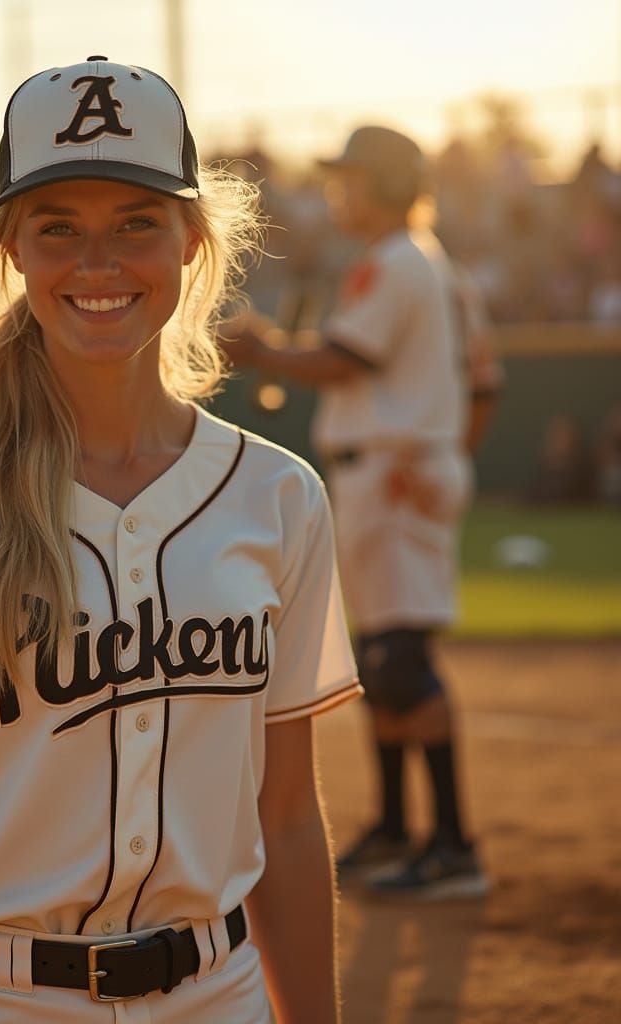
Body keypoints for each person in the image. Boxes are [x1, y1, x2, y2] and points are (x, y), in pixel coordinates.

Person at [0, 58, 362, 1023]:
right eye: (57, 227)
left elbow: (286, 817)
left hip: (220, 997)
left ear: (191, 240)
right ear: (13, 248)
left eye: (135, 223)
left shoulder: (278, 496)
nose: (95, 263)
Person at [224, 125, 503, 900]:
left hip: (392, 470)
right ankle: (394, 829)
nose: (337, 190)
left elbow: (346, 360)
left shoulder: (398, 263)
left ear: (381, 183)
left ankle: (453, 844)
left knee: (402, 658)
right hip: (396, 466)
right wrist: (448, 450)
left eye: (348, 178)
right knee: (383, 659)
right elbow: (487, 384)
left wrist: (265, 350)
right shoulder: (431, 265)